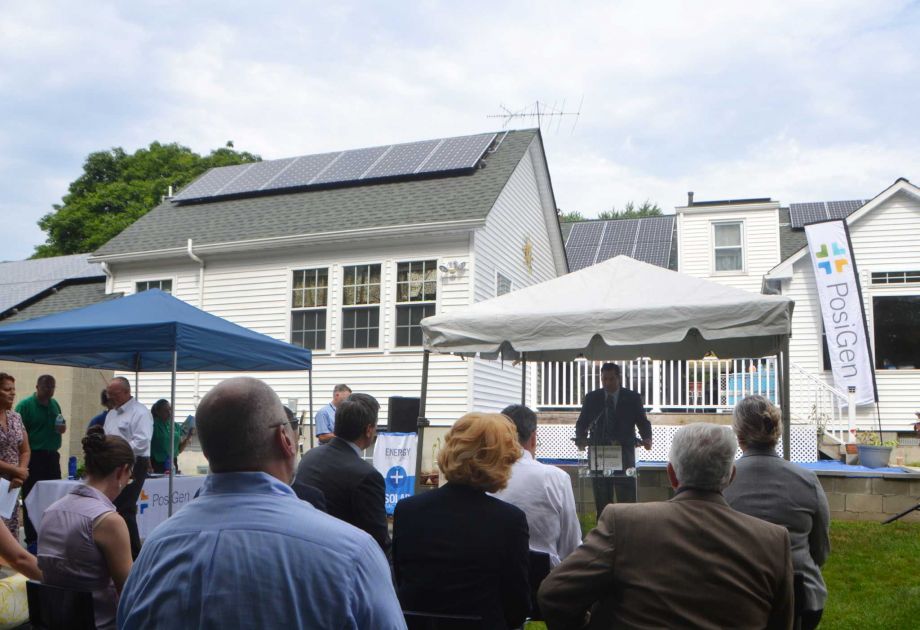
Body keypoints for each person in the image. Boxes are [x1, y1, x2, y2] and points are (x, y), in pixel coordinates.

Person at [117, 377, 405, 630]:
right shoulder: (353, 554)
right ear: (285, 440)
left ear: (206, 451)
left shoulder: (154, 551)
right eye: (292, 428)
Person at [538, 423, 793, 629]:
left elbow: (555, 594)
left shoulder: (624, 523)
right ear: (730, 477)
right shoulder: (774, 540)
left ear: (672, 474)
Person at [393, 412, 531, 630]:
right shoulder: (509, 521)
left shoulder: (408, 510)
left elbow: (402, 583)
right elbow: (517, 607)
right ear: (499, 462)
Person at [725, 395, 831, 630]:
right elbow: (820, 550)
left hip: (738, 600)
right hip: (804, 600)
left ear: (739, 435)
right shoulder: (807, 480)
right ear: (777, 432)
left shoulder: (721, 483)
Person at [38, 427, 134, 630]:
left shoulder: (50, 511)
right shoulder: (109, 521)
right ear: (121, 471)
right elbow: (129, 592)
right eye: (129, 477)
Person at [294, 393, 390, 553]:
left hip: (302, 550)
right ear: (368, 430)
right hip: (342, 561)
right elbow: (378, 540)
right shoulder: (367, 476)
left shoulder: (310, 457)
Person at [492, 404, 581, 567]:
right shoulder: (556, 478)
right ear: (533, 439)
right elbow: (571, 547)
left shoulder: (483, 478)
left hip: (491, 579)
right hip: (544, 581)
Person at [574, 363, 652, 513]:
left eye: (611, 379)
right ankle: (605, 532)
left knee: (627, 503)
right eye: (604, 379)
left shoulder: (632, 397)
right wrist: (581, 438)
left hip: (624, 455)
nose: (607, 383)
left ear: (619, 378)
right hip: (599, 456)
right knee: (603, 504)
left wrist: (647, 438)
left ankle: (628, 532)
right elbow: (582, 423)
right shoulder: (592, 398)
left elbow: (643, 422)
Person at [103, 376, 152, 559]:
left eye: (113, 394)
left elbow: (142, 442)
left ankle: (133, 554)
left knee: (125, 507)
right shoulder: (111, 414)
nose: (110, 398)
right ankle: (116, 551)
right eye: (108, 394)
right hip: (113, 463)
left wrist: (117, 448)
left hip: (133, 464)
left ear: (126, 392)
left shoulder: (139, 412)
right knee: (112, 507)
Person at [17, 374, 67, 549]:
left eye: (53, 387)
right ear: (37, 387)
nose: (50, 391)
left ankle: (50, 534)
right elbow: (18, 434)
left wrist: (62, 428)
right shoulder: (25, 406)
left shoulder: (55, 404)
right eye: (47, 387)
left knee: (53, 495)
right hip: (33, 456)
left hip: (52, 456)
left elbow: (61, 426)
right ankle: (32, 539)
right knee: (31, 495)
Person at [0, 373, 29, 538]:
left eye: (13, 389)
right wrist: (16, 470)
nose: (12, 393)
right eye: (6, 389)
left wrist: (20, 473)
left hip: (12, 485)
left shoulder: (16, 417)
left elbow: (25, 450)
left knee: (9, 533)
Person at [149, 399, 192, 474]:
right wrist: (149, 466)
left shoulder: (176, 426)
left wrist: (189, 436)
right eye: (165, 411)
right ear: (158, 412)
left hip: (172, 462)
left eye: (170, 410)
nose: (169, 413)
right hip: (156, 463)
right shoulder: (152, 425)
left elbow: (179, 449)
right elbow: (145, 446)